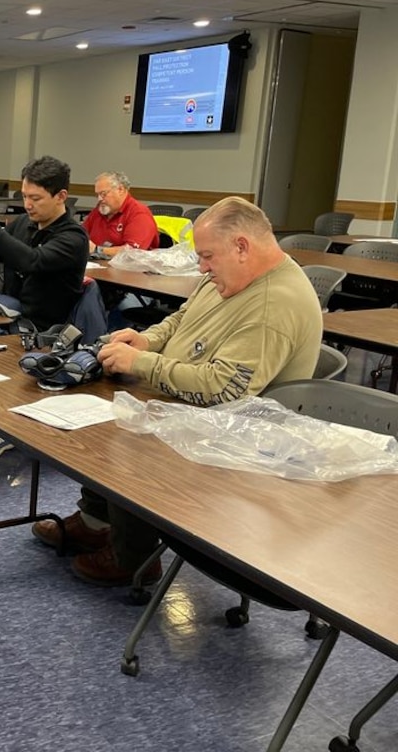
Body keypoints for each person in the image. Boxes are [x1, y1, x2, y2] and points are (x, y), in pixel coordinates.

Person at [34, 197, 323, 586]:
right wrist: (145, 340)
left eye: (207, 256)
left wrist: (141, 365)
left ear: (241, 246)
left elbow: (223, 390)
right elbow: (182, 318)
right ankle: (96, 521)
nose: (201, 267)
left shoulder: (274, 303)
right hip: (189, 401)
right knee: (103, 406)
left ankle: (132, 555)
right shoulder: (232, 274)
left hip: (236, 433)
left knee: (125, 435)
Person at [0, 155, 89, 332]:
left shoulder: (74, 237)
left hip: (40, 332)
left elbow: (31, 261)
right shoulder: (23, 223)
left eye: (36, 198)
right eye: (24, 197)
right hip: (6, 318)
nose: (27, 205)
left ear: (61, 196)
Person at [84, 171, 158, 257]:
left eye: (103, 194)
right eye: (97, 195)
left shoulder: (139, 213)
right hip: (96, 263)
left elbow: (132, 252)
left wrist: (97, 250)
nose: (99, 199)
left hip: (129, 267)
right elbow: (81, 234)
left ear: (120, 190)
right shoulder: (99, 210)